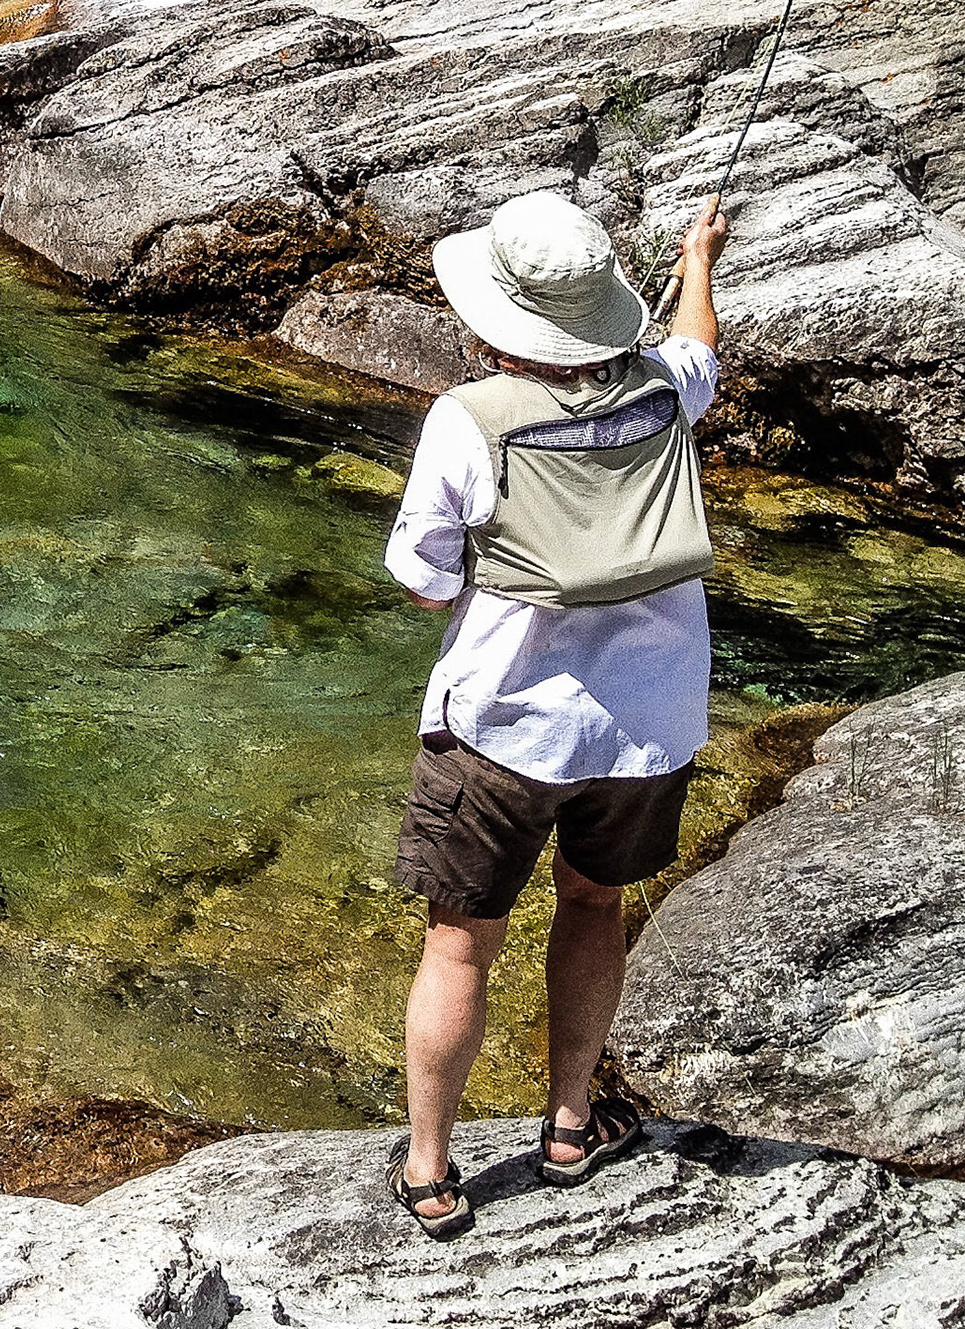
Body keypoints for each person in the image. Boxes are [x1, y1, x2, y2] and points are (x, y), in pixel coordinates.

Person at [380, 186, 730, 1241]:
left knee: (457, 947)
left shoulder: (469, 419)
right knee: (593, 909)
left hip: (503, 728)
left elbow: (425, 581)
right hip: (647, 729)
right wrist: (700, 256)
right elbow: (697, 344)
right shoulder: (669, 391)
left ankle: (433, 1172)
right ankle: (572, 1124)